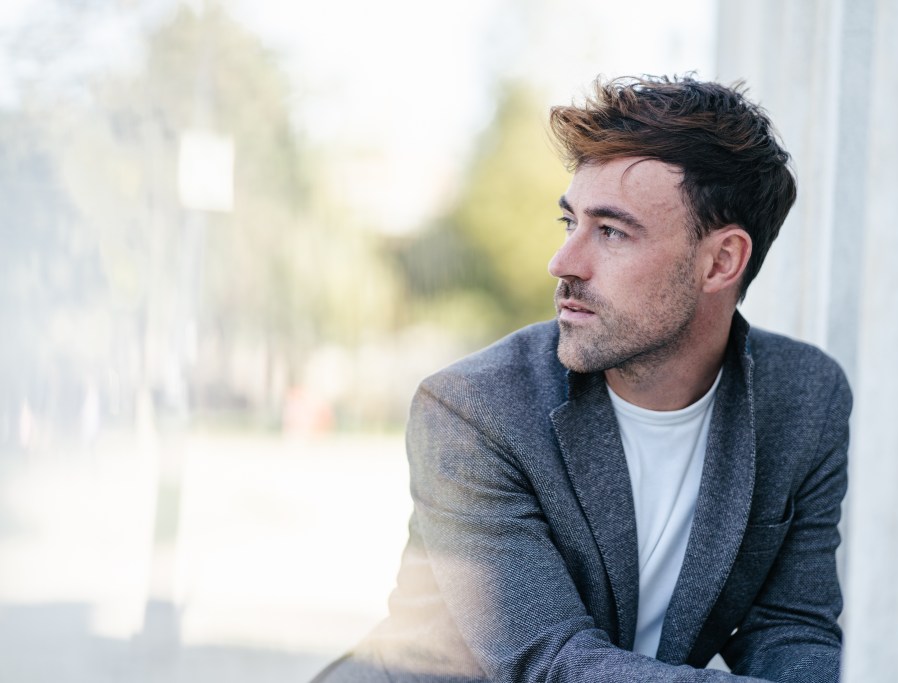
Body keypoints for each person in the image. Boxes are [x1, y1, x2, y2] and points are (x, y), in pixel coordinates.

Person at [314, 75, 851, 683]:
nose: (563, 263)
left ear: (721, 261)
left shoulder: (806, 399)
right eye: (570, 222)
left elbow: (790, 628)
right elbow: (553, 663)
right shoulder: (472, 410)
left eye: (612, 231)